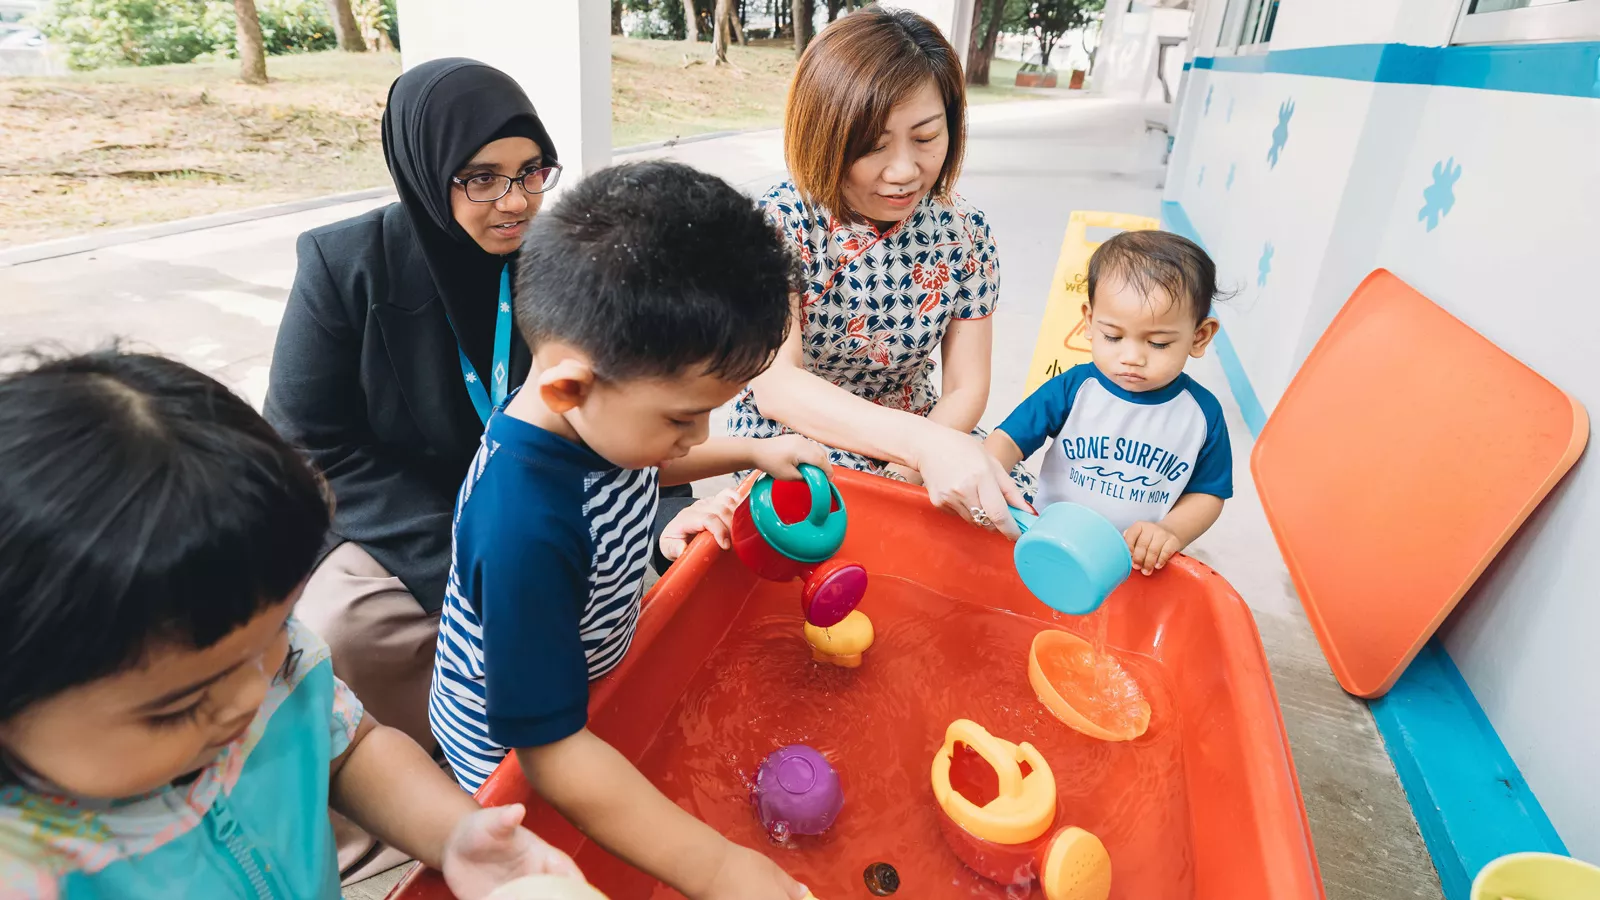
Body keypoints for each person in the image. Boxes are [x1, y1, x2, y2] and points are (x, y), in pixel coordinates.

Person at [262, 59, 698, 877]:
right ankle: (384, 802)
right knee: (343, 625)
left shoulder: (559, 260)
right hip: (394, 511)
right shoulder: (346, 265)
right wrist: (454, 551)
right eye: (482, 179)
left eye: (532, 171)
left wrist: (668, 520)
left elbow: (633, 397)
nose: (516, 202)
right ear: (428, 174)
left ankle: (517, 749)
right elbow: (305, 439)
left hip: (536, 492)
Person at [0, 350, 582, 900]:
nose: (249, 697)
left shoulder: (263, 668)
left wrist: (454, 833)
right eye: (178, 707)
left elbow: (351, 750)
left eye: (275, 633)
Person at [429, 161, 818, 900]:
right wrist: (719, 868)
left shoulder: (593, 417)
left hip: (587, 667)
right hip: (511, 747)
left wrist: (752, 450)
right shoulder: (522, 530)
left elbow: (644, 461)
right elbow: (549, 752)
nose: (694, 436)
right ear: (567, 386)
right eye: (683, 418)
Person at [730, 6, 1030, 538]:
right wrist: (921, 449)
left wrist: (914, 464)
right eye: (872, 146)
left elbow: (966, 387)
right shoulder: (778, 223)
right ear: (822, 135)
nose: (903, 171)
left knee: (1011, 516)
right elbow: (778, 385)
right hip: (798, 432)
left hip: (924, 424)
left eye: (926, 137)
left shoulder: (966, 232)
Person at [984, 231, 1234, 575]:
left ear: (1199, 336)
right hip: (1052, 542)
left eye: (1158, 343)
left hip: (1134, 563)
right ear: (1089, 322)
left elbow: (1208, 493)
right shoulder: (1074, 388)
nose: (1131, 357)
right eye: (1113, 337)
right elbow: (1008, 439)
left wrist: (1171, 531)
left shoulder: (1202, 415)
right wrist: (987, 476)